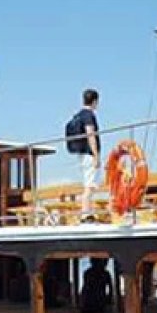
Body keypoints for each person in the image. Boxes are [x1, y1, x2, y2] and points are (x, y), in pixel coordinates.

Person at [66, 89, 102, 222]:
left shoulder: (79, 115)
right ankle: (86, 215)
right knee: (90, 185)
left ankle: (88, 213)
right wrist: (96, 155)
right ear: (95, 101)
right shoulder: (88, 115)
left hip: (82, 154)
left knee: (88, 183)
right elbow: (90, 134)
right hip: (89, 154)